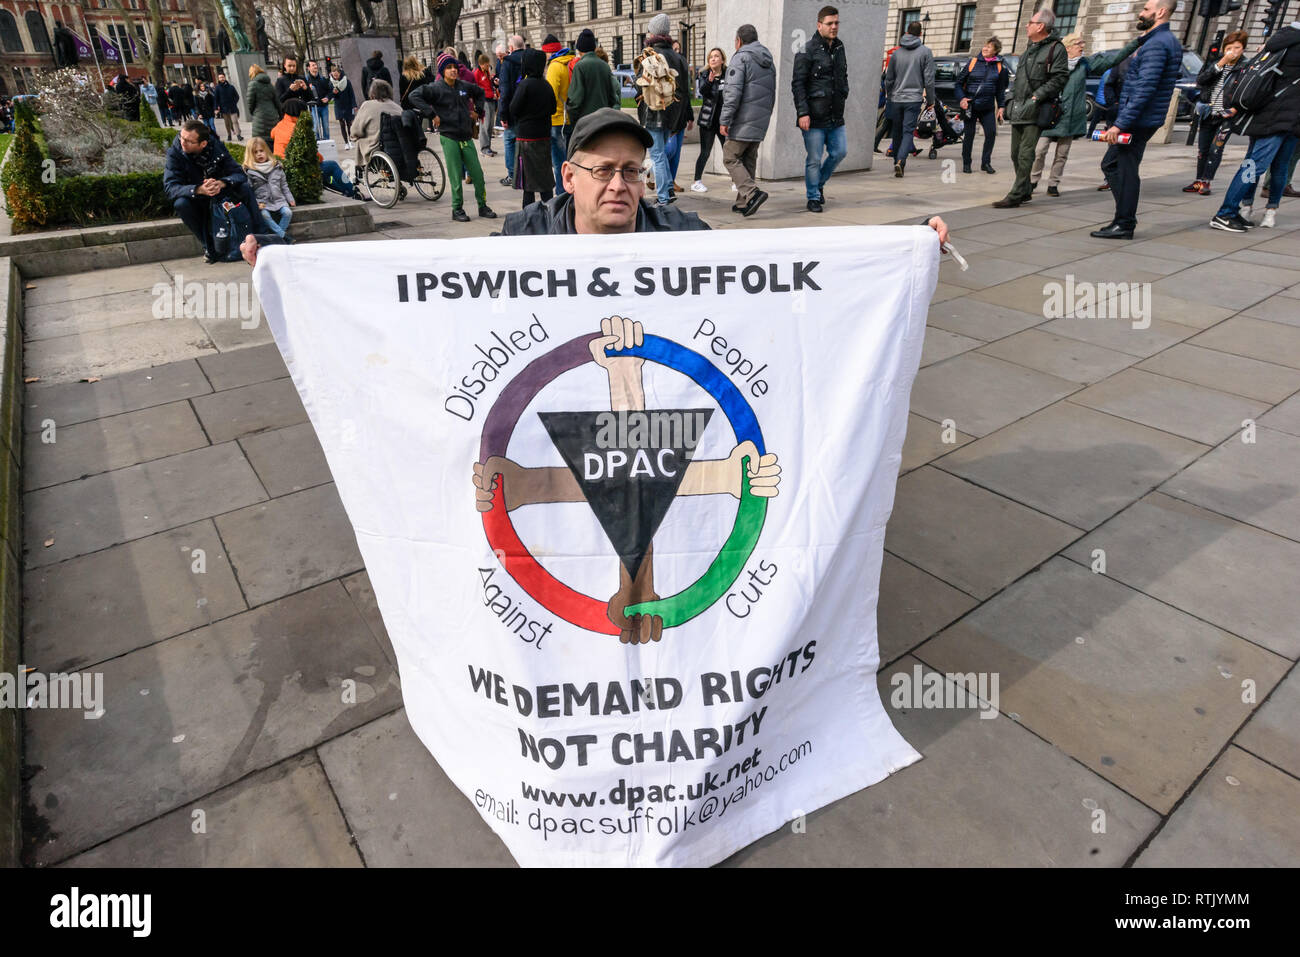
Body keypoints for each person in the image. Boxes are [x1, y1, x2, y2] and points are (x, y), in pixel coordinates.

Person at [243, 107, 952, 275]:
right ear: (567, 177)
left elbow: (785, 272)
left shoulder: (681, 235)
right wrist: (293, 272)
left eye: (633, 171)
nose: (621, 184)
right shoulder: (525, 239)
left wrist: (904, 245)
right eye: (603, 170)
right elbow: (419, 283)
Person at [1091, 0, 1181, 238]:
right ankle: (1124, 218)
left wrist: (1120, 124)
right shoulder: (1158, 41)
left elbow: (1145, 89)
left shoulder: (1158, 44)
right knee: (1113, 165)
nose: (1141, 13)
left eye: (1146, 9)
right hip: (1143, 118)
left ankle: (1125, 223)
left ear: (1160, 12)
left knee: (1124, 168)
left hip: (1138, 120)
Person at [1210, 21, 1300, 232]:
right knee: (1253, 166)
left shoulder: (1284, 39)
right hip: (1278, 118)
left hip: (1269, 114)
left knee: (1254, 165)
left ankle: (1238, 210)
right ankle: (1225, 213)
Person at [1031, 30, 1140, 197]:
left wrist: (1135, 43)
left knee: (1062, 154)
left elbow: (1113, 59)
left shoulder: (1084, 64)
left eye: (1083, 43)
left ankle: (1053, 184)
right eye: (1078, 43)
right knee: (1039, 151)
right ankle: (1032, 181)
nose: (1082, 46)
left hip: (1070, 118)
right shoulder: (1053, 63)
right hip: (1050, 114)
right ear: (1067, 48)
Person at [993, 8, 1067, 207]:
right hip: (1018, 109)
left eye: (1031, 22)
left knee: (1026, 153)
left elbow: (1060, 78)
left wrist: (1036, 97)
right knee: (1015, 153)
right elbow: (1018, 80)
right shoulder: (1029, 50)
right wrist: (1007, 101)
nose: (1027, 25)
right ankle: (1025, 189)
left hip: (1036, 110)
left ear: (1041, 26)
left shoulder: (1056, 48)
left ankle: (1016, 194)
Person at [410, 53, 497, 222]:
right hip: (449, 137)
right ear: (442, 71)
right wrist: (431, 114)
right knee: (456, 176)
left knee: (477, 174)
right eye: (449, 68)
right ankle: (457, 209)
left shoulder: (463, 85)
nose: (453, 70)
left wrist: (478, 111)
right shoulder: (435, 88)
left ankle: (482, 206)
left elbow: (479, 92)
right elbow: (414, 96)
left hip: (466, 136)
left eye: (455, 67)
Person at [165, 119, 266, 263]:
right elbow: (170, 187)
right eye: (182, 137)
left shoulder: (215, 147)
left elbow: (239, 174)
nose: (183, 142)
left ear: (203, 144)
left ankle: (262, 236)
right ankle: (209, 247)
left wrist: (222, 183)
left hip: (220, 193)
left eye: (188, 141)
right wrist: (198, 189)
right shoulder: (175, 153)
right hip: (196, 196)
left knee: (244, 188)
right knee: (181, 204)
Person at [793, 5, 849, 212]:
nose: (834, 27)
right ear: (819, 25)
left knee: (840, 152)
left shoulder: (840, 48)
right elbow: (797, 84)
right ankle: (813, 197)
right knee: (814, 159)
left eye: (837, 23)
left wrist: (844, 91)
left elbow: (843, 76)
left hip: (836, 115)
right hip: (814, 116)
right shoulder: (806, 50)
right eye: (830, 23)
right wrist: (802, 112)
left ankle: (818, 184)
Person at [636, 14, 694, 208]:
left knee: (657, 155)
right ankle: (668, 187)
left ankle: (663, 196)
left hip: (654, 111)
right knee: (661, 153)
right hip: (672, 113)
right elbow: (686, 90)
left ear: (653, 32)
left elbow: (639, 86)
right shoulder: (679, 58)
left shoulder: (650, 55)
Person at [719, 24, 776, 216]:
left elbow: (732, 94)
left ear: (739, 41)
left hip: (743, 119)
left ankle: (752, 193)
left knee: (730, 156)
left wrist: (725, 119)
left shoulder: (740, 58)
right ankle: (744, 202)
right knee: (748, 158)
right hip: (760, 119)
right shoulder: (768, 60)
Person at [1185, 31, 1248, 196]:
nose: (1233, 51)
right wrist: (1220, 64)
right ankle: (1198, 180)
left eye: (1237, 48)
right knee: (1203, 148)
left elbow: (1247, 91)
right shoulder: (1215, 62)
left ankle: (1206, 181)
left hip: (1227, 115)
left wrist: (1236, 108)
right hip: (1208, 111)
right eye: (1229, 48)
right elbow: (1201, 80)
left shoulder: (1245, 66)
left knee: (1216, 148)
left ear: (1243, 49)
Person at [270, 99, 361, 198]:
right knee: (331, 166)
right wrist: (320, 159)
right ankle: (353, 192)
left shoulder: (279, 126)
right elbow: (313, 156)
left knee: (323, 170)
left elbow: (272, 135)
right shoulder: (299, 130)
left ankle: (346, 190)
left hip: (283, 169)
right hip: (298, 171)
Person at [884, 21, 935, 178]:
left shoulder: (897, 53)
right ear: (920, 34)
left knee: (897, 130)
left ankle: (895, 161)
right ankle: (901, 160)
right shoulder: (925, 52)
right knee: (908, 131)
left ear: (907, 32)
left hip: (896, 98)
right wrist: (931, 100)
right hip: (913, 99)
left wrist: (890, 95)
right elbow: (929, 79)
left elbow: (889, 78)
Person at [508, 48, 557, 208]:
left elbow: (513, 108)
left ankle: (528, 215)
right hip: (543, 136)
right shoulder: (546, 85)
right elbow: (553, 109)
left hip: (527, 139)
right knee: (545, 181)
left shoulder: (525, 85)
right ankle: (550, 211)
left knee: (528, 185)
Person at [956, 37, 1009, 174]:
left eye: (989, 47)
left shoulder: (999, 67)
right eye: (985, 46)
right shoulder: (972, 62)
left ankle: (986, 163)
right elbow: (958, 84)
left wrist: (1001, 107)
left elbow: (1000, 90)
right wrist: (962, 98)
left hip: (988, 107)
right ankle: (967, 163)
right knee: (969, 134)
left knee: (990, 134)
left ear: (996, 51)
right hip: (971, 106)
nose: (985, 48)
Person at [542, 34, 577, 195]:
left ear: (549, 52)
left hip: (557, 120)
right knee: (573, 159)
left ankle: (562, 195)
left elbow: (551, 95)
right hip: (574, 117)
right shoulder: (573, 62)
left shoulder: (554, 66)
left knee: (559, 163)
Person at [567, 28, 619, 134]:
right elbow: (612, 98)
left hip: (585, 122)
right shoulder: (605, 66)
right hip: (603, 121)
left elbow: (575, 99)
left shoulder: (580, 66)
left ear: (579, 49)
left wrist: (572, 119)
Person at [243, 136, 294, 239]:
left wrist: (290, 199)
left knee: (288, 213)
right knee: (265, 216)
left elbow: (284, 186)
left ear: (266, 151)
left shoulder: (277, 167)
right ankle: (283, 236)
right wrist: (256, 204)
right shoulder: (250, 172)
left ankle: (277, 237)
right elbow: (249, 191)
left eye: (261, 151)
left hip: (279, 200)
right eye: (255, 152)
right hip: (262, 202)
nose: (259, 154)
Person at [691, 48, 727, 192]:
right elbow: (703, 92)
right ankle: (696, 182)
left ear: (722, 60)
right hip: (708, 121)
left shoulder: (728, 74)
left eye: (716, 56)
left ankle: (737, 181)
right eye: (711, 57)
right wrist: (710, 81)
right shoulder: (705, 74)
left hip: (723, 121)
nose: (713, 59)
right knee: (705, 152)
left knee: (729, 152)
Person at [351, 78, 403, 168]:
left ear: (372, 93)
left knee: (359, 140)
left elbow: (356, 130)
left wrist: (354, 136)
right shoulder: (397, 107)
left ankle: (360, 167)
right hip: (401, 147)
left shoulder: (367, 105)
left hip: (378, 149)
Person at [497, 34, 527, 187]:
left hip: (512, 110)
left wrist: (502, 114)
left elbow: (505, 91)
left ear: (510, 48)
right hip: (528, 109)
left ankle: (512, 174)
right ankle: (526, 172)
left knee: (509, 140)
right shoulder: (529, 59)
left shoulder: (507, 64)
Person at [474, 53, 500, 156]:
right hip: (484, 101)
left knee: (490, 125)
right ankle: (484, 148)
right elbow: (476, 89)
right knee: (484, 125)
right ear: (481, 64)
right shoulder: (476, 74)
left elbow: (489, 85)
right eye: (486, 64)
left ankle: (488, 146)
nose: (488, 66)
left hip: (491, 100)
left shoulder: (486, 72)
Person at [247, 63, 280, 141]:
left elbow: (250, 104)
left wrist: (254, 113)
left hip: (259, 118)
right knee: (273, 140)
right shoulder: (270, 84)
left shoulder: (252, 84)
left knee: (259, 143)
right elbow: (277, 102)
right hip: (273, 116)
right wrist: (280, 116)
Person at [331, 66, 358, 148]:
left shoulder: (347, 81)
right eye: (334, 75)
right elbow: (330, 95)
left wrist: (354, 105)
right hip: (338, 106)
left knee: (349, 124)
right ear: (332, 74)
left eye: (337, 74)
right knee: (342, 124)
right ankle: (346, 143)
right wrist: (333, 93)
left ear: (340, 73)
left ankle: (351, 141)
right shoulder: (331, 83)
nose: (335, 76)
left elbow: (352, 94)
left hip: (348, 105)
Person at [306, 60, 332, 140]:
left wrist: (327, 98)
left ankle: (327, 142)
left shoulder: (323, 79)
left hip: (324, 107)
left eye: (316, 65)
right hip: (313, 107)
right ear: (308, 68)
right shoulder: (306, 80)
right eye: (313, 65)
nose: (315, 67)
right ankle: (317, 145)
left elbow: (330, 91)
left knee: (326, 127)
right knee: (316, 127)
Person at [213, 72, 242, 141]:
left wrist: (234, 103)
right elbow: (216, 99)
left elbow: (237, 96)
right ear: (218, 79)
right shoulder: (217, 88)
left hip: (232, 108)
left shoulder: (231, 87)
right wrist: (216, 108)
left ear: (225, 77)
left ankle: (238, 135)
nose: (221, 79)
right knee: (227, 123)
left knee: (235, 122)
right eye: (220, 77)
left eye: (222, 77)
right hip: (224, 108)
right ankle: (229, 135)